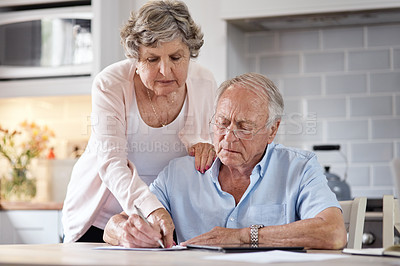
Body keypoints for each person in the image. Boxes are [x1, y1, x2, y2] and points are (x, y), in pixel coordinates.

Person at [103, 72, 347, 250]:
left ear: (273, 130)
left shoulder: (299, 168)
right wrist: (124, 232)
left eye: (244, 127)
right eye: (222, 123)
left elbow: (333, 232)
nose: (228, 137)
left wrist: (242, 237)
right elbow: (117, 225)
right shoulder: (179, 173)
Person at [62, 0, 217, 246]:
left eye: (176, 57)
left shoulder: (204, 82)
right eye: (152, 59)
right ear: (135, 57)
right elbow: (111, 163)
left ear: (190, 53)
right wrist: (150, 209)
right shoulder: (110, 84)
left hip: (166, 219)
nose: (165, 71)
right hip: (103, 219)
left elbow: (206, 147)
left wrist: (207, 148)